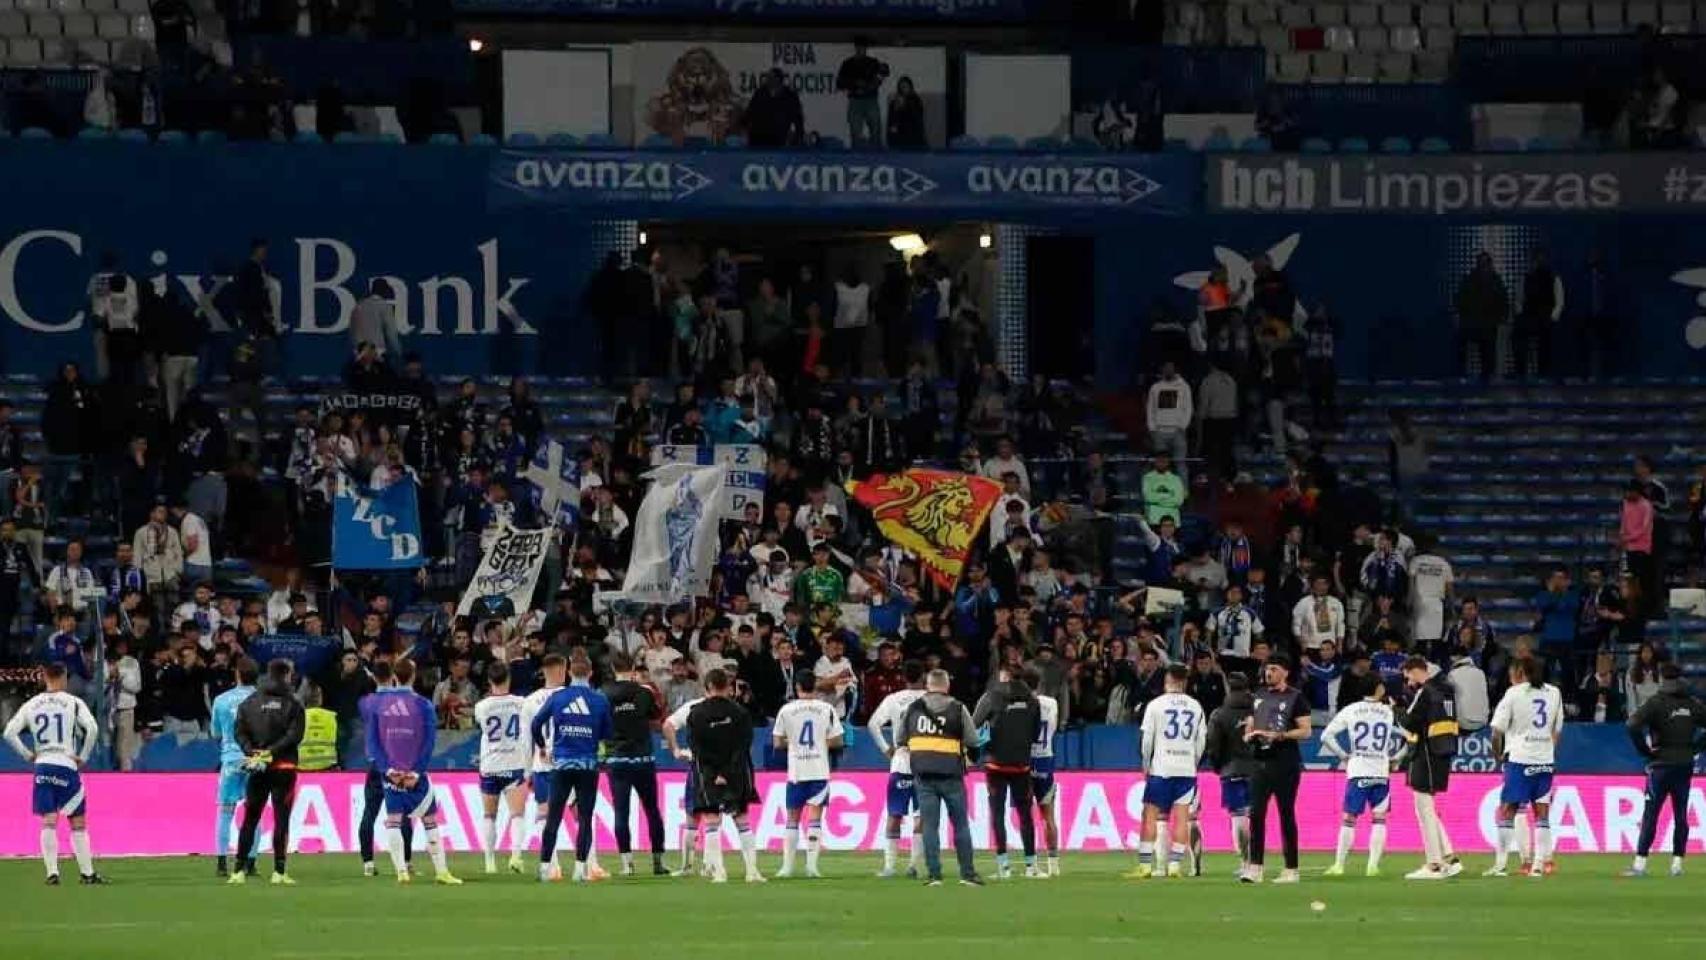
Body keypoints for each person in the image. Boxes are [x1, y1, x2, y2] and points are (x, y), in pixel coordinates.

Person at [3, 662, 104, 885]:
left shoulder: (33, 703)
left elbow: (9, 732)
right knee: (77, 821)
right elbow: (93, 728)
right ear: (64, 678)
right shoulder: (74, 702)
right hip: (66, 763)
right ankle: (87, 874)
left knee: (49, 820)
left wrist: (28, 755)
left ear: (44, 678)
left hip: (43, 765)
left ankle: (52, 873)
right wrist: (84, 756)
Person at [366, 658, 461, 886]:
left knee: (393, 820)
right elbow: (428, 742)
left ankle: (401, 872)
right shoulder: (423, 705)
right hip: (414, 773)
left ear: (394, 676)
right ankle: (441, 872)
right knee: (429, 819)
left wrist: (387, 770)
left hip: (391, 773)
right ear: (414, 675)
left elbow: (373, 742)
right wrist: (417, 772)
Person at [531, 655, 613, 884]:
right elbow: (608, 734)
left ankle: (545, 868)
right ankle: (580, 870)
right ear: (590, 673)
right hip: (588, 765)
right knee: (585, 818)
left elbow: (536, 724)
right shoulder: (599, 700)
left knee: (553, 817)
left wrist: (542, 747)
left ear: (569, 673)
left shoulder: (559, 697)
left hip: (562, 764)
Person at [899, 668, 983, 886]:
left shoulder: (913, 709)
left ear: (927, 685)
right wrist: (971, 759)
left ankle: (934, 875)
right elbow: (974, 741)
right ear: (947, 686)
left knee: (929, 826)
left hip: (924, 775)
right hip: (951, 774)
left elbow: (900, 738)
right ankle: (968, 874)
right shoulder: (957, 708)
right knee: (961, 824)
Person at [1624, 663, 1706, 877]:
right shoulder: (1691, 704)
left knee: (1651, 814)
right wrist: (1696, 747)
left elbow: (1632, 725)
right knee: (1681, 814)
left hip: (1660, 765)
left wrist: (1645, 751)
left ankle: (1640, 864)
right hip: (1684, 765)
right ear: (1680, 679)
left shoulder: (1656, 703)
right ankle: (1677, 865)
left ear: (1661, 679)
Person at [685, 668, 765, 883]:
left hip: (708, 773)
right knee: (742, 819)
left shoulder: (697, 713)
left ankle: (719, 872)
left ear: (708, 687)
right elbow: (744, 745)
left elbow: (696, 747)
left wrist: (716, 772)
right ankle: (752, 871)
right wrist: (727, 772)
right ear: (727, 687)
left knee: (712, 819)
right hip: (736, 772)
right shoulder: (740, 712)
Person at [230, 659, 306, 886]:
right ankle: (279, 871)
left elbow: (239, 732)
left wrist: (253, 752)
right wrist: (271, 752)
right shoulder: (293, 704)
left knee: (250, 818)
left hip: (257, 767)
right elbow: (295, 736)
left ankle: (238, 871)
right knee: (281, 819)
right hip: (283, 767)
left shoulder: (249, 702)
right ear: (286, 675)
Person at [1486, 657, 1563, 878]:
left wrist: (1498, 756)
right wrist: (1547, 751)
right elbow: (1557, 729)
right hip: (1545, 760)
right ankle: (1539, 865)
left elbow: (1496, 731)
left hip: (1519, 758)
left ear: (1521, 672)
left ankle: (1500, 866)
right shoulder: (1555, 693)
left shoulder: (1514, 693)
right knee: (1542, 814)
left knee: (1508, 810)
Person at [1133, 665, 1206, 879]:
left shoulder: (1156, 705)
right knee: (1183, 817)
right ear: (1184, 682)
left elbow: (1147, 740)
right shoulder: (1196, 706)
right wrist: (1193, 762)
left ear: (1168, 680)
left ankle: (1146, 866)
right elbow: (1201, 741)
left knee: (1151, 815)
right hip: (1186, 768)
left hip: (1162, 767)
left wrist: (1146, 763)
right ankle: (1175, 866)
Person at [1318, 677, 1396, 877]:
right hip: (1381, 770)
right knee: (1379, 819)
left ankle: (1339, 865)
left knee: (1349, 819)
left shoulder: (1351, 709)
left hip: (1358, 769)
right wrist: (1398, 757)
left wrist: (1343, 755)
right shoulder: (1389, 711)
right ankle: (1373, 866)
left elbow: (1325, 736)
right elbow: (1410, 736)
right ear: (1378, 688)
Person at [602, 652, 670, 877]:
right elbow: (656, 717)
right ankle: (658, 862)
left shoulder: (603, 694)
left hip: (617, 759)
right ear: (632, 668)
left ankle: (627, 864)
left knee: (621, 812)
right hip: (643, 758)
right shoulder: (644, 692)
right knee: (652, 810)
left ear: (613, 668)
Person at [1242, 656, 1309, 884]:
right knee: (1256, 814)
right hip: (1260, 761)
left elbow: (1306, 731)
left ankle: (1291, 869)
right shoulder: (1258, 695)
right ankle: (1255, 867)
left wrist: (1280, 735)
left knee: (1286, 814)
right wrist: (1249, 734)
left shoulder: (1296, 697)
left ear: (1285, 672)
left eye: (1273, 669)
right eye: (1267, 669)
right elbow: (1251, 721)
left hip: (1285, 763)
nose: (1268, 673)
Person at [971, 666, 1042, 879]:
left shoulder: (992, 696)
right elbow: (1036, 733)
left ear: (1006, 677)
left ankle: (1004, 867)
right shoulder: (1032, 700)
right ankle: (1031, 866)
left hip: (996, 764)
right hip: (1022, 765)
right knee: (1025, 815)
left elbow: (974, 723)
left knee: (998, 813)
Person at [1396, 655, 1461, 880]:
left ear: (1415, 671)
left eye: (1408, 677)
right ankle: (1449, 858)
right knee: (1428, 808)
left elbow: (1410, 722)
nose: (1409, 683)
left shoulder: (1427, 692)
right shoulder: (1448, 690)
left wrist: (1397, 711)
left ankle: (1434, 864)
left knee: (1423, 808)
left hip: (1425, 754)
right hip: (1443, 751)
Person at [772, 673, 843, 879]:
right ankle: (812, 867)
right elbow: (838, 740)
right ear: (816, 687)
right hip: (819, 770)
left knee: (792, 818)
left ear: (797, 687)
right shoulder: (826, 709)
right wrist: (821, 745)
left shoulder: (786, 710)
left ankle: (787, 867)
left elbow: (777, 743)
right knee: (815, 818)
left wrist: (793, 744)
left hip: (796, 770)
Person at [866, 659, 927, 879]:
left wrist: (886, 749)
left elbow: (873, 724)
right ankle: (914, 866)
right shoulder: (931, 700)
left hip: (900, 761)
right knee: (922, 816)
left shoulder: (893, 699)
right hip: (925, 764)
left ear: (903, 677)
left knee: (894, 814)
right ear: (923, 677)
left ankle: (890, 867)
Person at [355, 662, 413, 878]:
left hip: (376, 763)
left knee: (370, 812)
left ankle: (368, 863)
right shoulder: (403, 702)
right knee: (403, 813)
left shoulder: (366, 702)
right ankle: (406, 862)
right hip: (398, 762)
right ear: (393, 676)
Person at [473, 662, 529, 876]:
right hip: (513, 763)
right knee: (517, 814)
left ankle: (489, 862)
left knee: (489, 815)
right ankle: (515, 855)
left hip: (490, 764)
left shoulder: (482, 706)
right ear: (509, 679)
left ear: (489, 681)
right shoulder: (520, 703)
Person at [208, 657, 258, 878]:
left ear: (237, 674)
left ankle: (221, 863)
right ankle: (250, 862)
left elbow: (215, 733)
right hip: (255, 760)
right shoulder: (262, 699)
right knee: (253, 811)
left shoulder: (221, 700)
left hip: (230, 759)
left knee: (226, 811)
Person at [1021, 668, 1063, 877]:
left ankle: (1032, 864)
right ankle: (1054, 865)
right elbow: (1054, 727)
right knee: (1048, 815)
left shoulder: (1022, 704)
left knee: (1026, 815)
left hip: (1026, 759)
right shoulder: (1052, 703)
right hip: (1046, 758)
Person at [835, 36, 889, 148]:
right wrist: (855, 83)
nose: (860, 50)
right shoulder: (848, 63)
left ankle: (877, 155)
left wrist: (872, 83)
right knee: (855, 132)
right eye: (859, 47)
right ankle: (857, 157)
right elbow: (839, 83)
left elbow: (884, 73)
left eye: (863, 47)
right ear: (855, 48)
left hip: (871, 99)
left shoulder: (873, 62)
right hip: (855, 100)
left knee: (876, 129)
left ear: (865, 49)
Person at [886, 76, 926, 149]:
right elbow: (892, 122)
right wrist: (897, 108)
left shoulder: (915, 100)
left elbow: (917, 118)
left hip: (913, 135)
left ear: (910, 87)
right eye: (901, 87)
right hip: (899, 136)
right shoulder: (895, 102)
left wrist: (906, 104)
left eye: (905, 87)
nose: (903, 89)